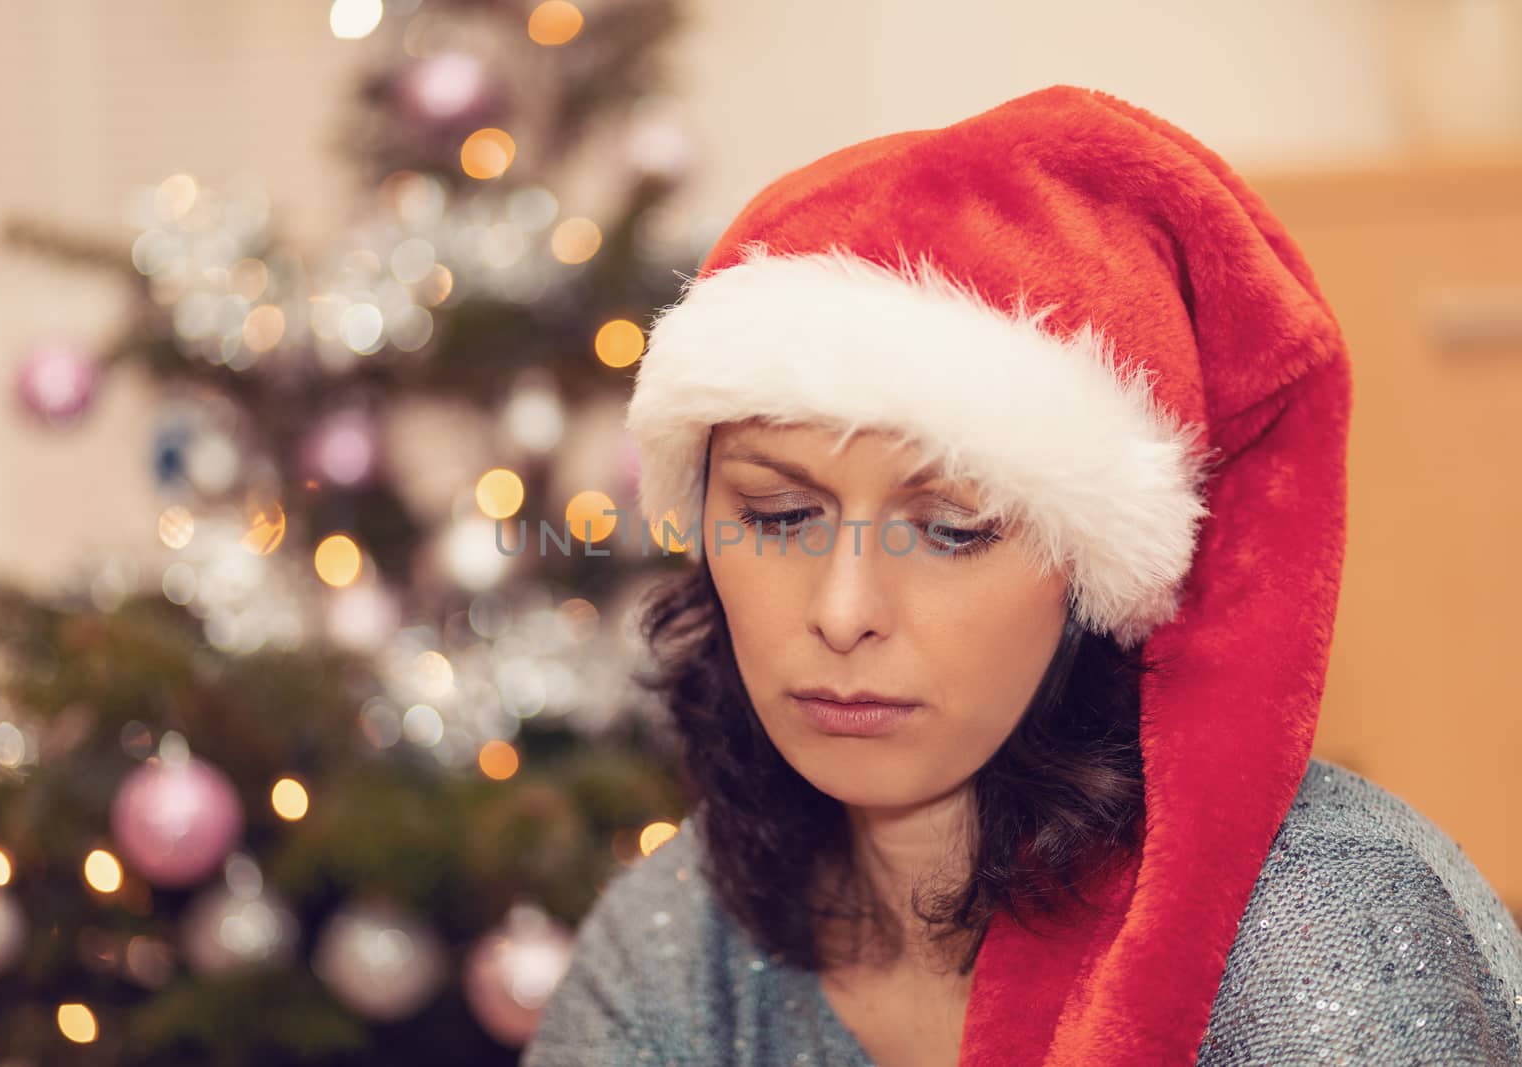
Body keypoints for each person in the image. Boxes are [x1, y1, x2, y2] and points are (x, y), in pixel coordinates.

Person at [519, 84, 1522, 1066]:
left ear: (1093, 574)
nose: (843, 610)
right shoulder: (674, 934)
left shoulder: (1322, 926)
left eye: (951, 530)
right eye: (780, 517)